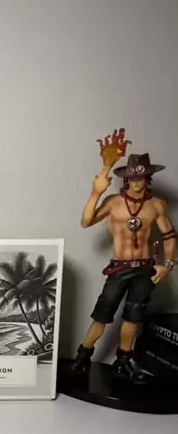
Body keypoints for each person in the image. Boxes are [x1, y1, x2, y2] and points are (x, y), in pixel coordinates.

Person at [72, 130, 176, 383]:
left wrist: (167, 264)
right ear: (126, 178)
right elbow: (86, 221)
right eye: (133, 177)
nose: (137, 182)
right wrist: (95, 193)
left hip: (145, 269)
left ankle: (123, 361)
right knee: (101, 316)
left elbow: (170, 235)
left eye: (142, 177)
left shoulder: (156, 205)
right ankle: (83, 357)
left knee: (133, 317)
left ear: (148, 177)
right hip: (119, 268)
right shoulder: (114, 202)